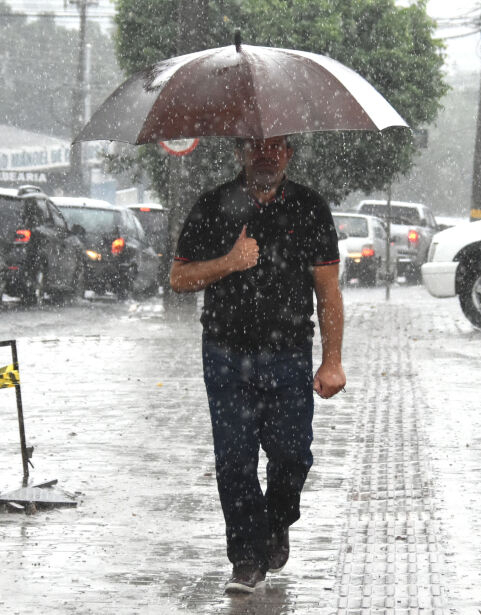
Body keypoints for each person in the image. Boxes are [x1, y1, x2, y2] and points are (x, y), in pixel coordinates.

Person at [170, 135, 346, 594]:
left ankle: (278, 518)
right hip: (225, 356)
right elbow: (179, 278)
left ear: (288, 153)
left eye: (277, 146)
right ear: (239, 153)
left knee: (292, 456)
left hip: (288, 356)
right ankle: (246, 558)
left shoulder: (310, 208)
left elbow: (328, 292)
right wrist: (229, 262)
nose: (266, 154)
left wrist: (332, 361)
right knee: (234, 461)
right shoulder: (213, 206)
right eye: (255, 146)